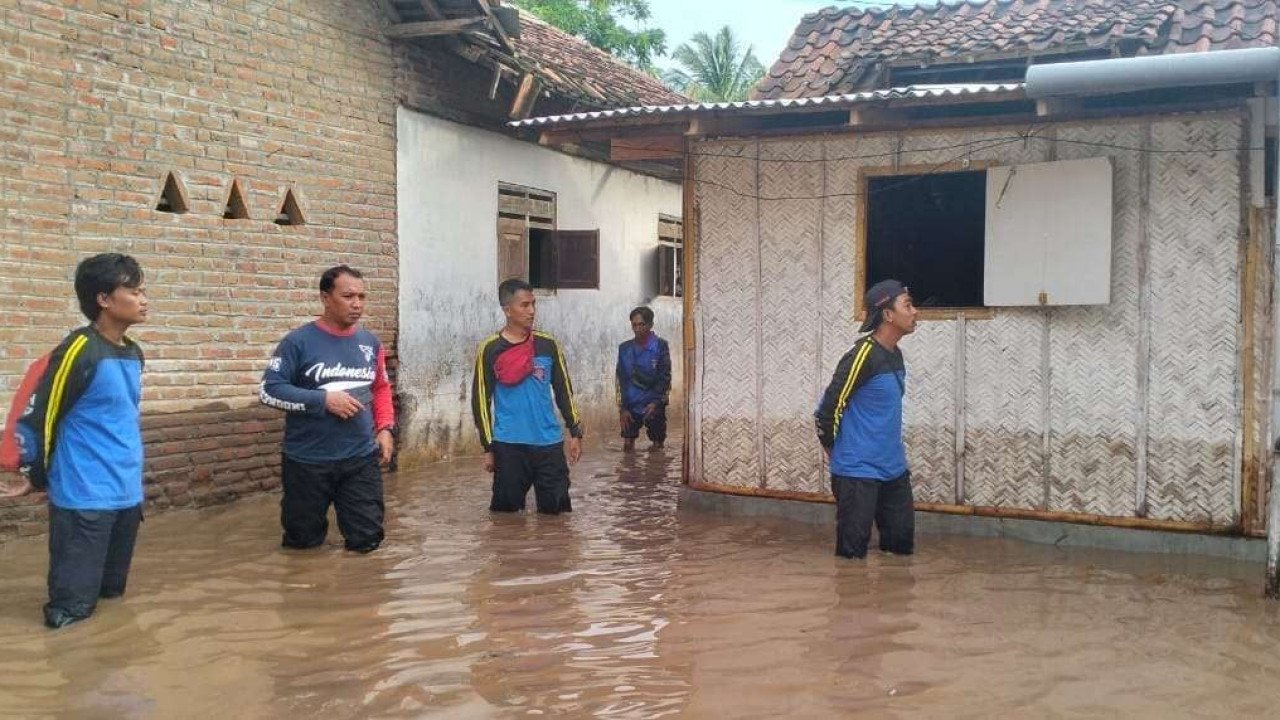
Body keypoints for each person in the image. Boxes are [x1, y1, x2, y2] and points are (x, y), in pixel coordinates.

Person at [2, 253, 149, 629]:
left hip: (126, 494)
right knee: (72, 610)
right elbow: (41, 413)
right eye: (134, 292)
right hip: (84, 496)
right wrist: (31, 471)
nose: (143, 299)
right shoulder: (78, 351)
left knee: (112, 598)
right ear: (104, 299)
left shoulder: (133, 353)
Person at [260, 265, 395, 553]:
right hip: (307, 461)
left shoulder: (370, 343)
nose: (357, 304)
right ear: (325, 298)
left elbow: (381, 388)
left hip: (360, 458)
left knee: (367, 542)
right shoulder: (298, 342)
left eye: (361, 296)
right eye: (348, 296)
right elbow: (269, 390)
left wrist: (385, 428)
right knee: (303, 544)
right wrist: (323, 400)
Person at [814, 279, 918, 559]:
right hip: (857, 472)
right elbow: (827, 410)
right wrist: (836, 453)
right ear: (888, 314)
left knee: (900, 553)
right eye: (908, 306)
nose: (915, 312)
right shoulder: (862, 356)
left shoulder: (895, 354)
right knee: (851, 560)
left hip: (894, 470)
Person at [471, 278, 583, 514]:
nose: (531, 311)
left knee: (557, 517)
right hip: (509, 446)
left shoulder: (548, 345)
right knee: (506, 519)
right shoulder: (490, 349)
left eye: (533, 304)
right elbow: (480, 401)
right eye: (524, 305)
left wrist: (575, 431)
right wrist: (488, 447)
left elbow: (564, 389)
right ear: (507, 310)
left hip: (549, 444)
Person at [615, 306, 671, 452]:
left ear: (650, 324)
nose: (637, 329)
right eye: (634, 325)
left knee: (657, 446)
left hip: (653, 404)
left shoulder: (660, 346)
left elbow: (665, 377)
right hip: (631, 405)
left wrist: (656, 403)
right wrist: (622, 408)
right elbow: (620, 379)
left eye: (641, 325)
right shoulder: (624, 349)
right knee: (627, 446)